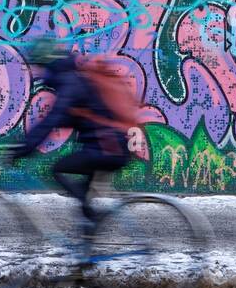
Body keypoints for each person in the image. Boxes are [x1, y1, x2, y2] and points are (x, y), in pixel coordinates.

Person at [8, 38, 144, 235]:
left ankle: (92, 216)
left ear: (48, 64)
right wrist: (30, 143)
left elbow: (52, 120)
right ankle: (86, 251)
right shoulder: (75, 79)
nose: (38, 73)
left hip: (107, 148)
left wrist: (24, 149)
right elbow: (67, 118)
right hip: (111, 146)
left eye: (39, 66)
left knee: (59, 170)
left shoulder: (70, 82)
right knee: (83, 200)